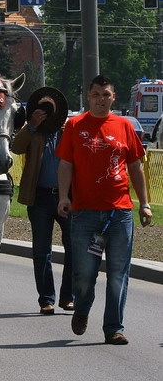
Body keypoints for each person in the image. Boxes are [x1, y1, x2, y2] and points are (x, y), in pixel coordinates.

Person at [56, 75, 153, 345]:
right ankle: (83, 307)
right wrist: (64, 197)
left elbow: (135, 166)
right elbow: (65, 164)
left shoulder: (124, 126)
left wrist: (144, 203)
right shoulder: (75, 125)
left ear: (113, 97)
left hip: (119, 213)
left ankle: (113, 327)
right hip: (85, 213)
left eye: (106, 95)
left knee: (118, 274)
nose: (101, 99)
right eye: (96, 94)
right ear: (89, 97)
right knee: (84, 274)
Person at [12, 86, 74, 315]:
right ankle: (46, 299)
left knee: (73, 248)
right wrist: (31, 125)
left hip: (67, 196)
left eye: (50, 111)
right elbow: (15, 148)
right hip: (39, 197)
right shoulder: (33, 132)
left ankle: (68, 296)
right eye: (41, 111)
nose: (46, 114)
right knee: (41, 251)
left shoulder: (69, 130)